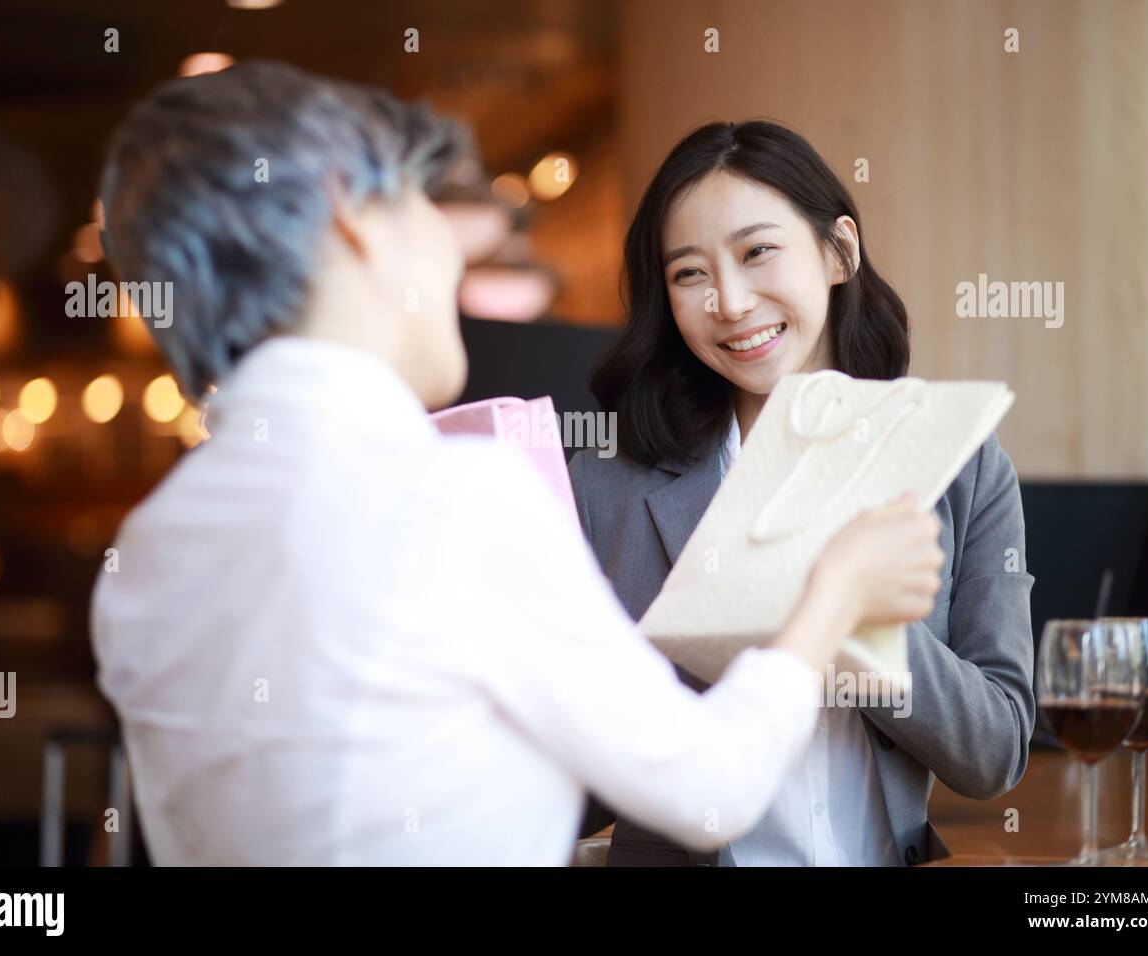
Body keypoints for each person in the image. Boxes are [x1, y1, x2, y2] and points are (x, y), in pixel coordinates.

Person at [91, 62, 942, 865]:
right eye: (424, 207)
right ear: (352, 218)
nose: (454, 260)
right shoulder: (453, 497)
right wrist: (835, 595)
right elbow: (706, 784)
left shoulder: (146, 548)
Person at [570, 120, 1035, 866]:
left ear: (839, 250)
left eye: (757, 252)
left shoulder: (961, 462)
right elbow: (574, 785)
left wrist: (850, 604)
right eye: (689, 273)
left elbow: (996, 753)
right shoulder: (604, 484)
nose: (729, 300)